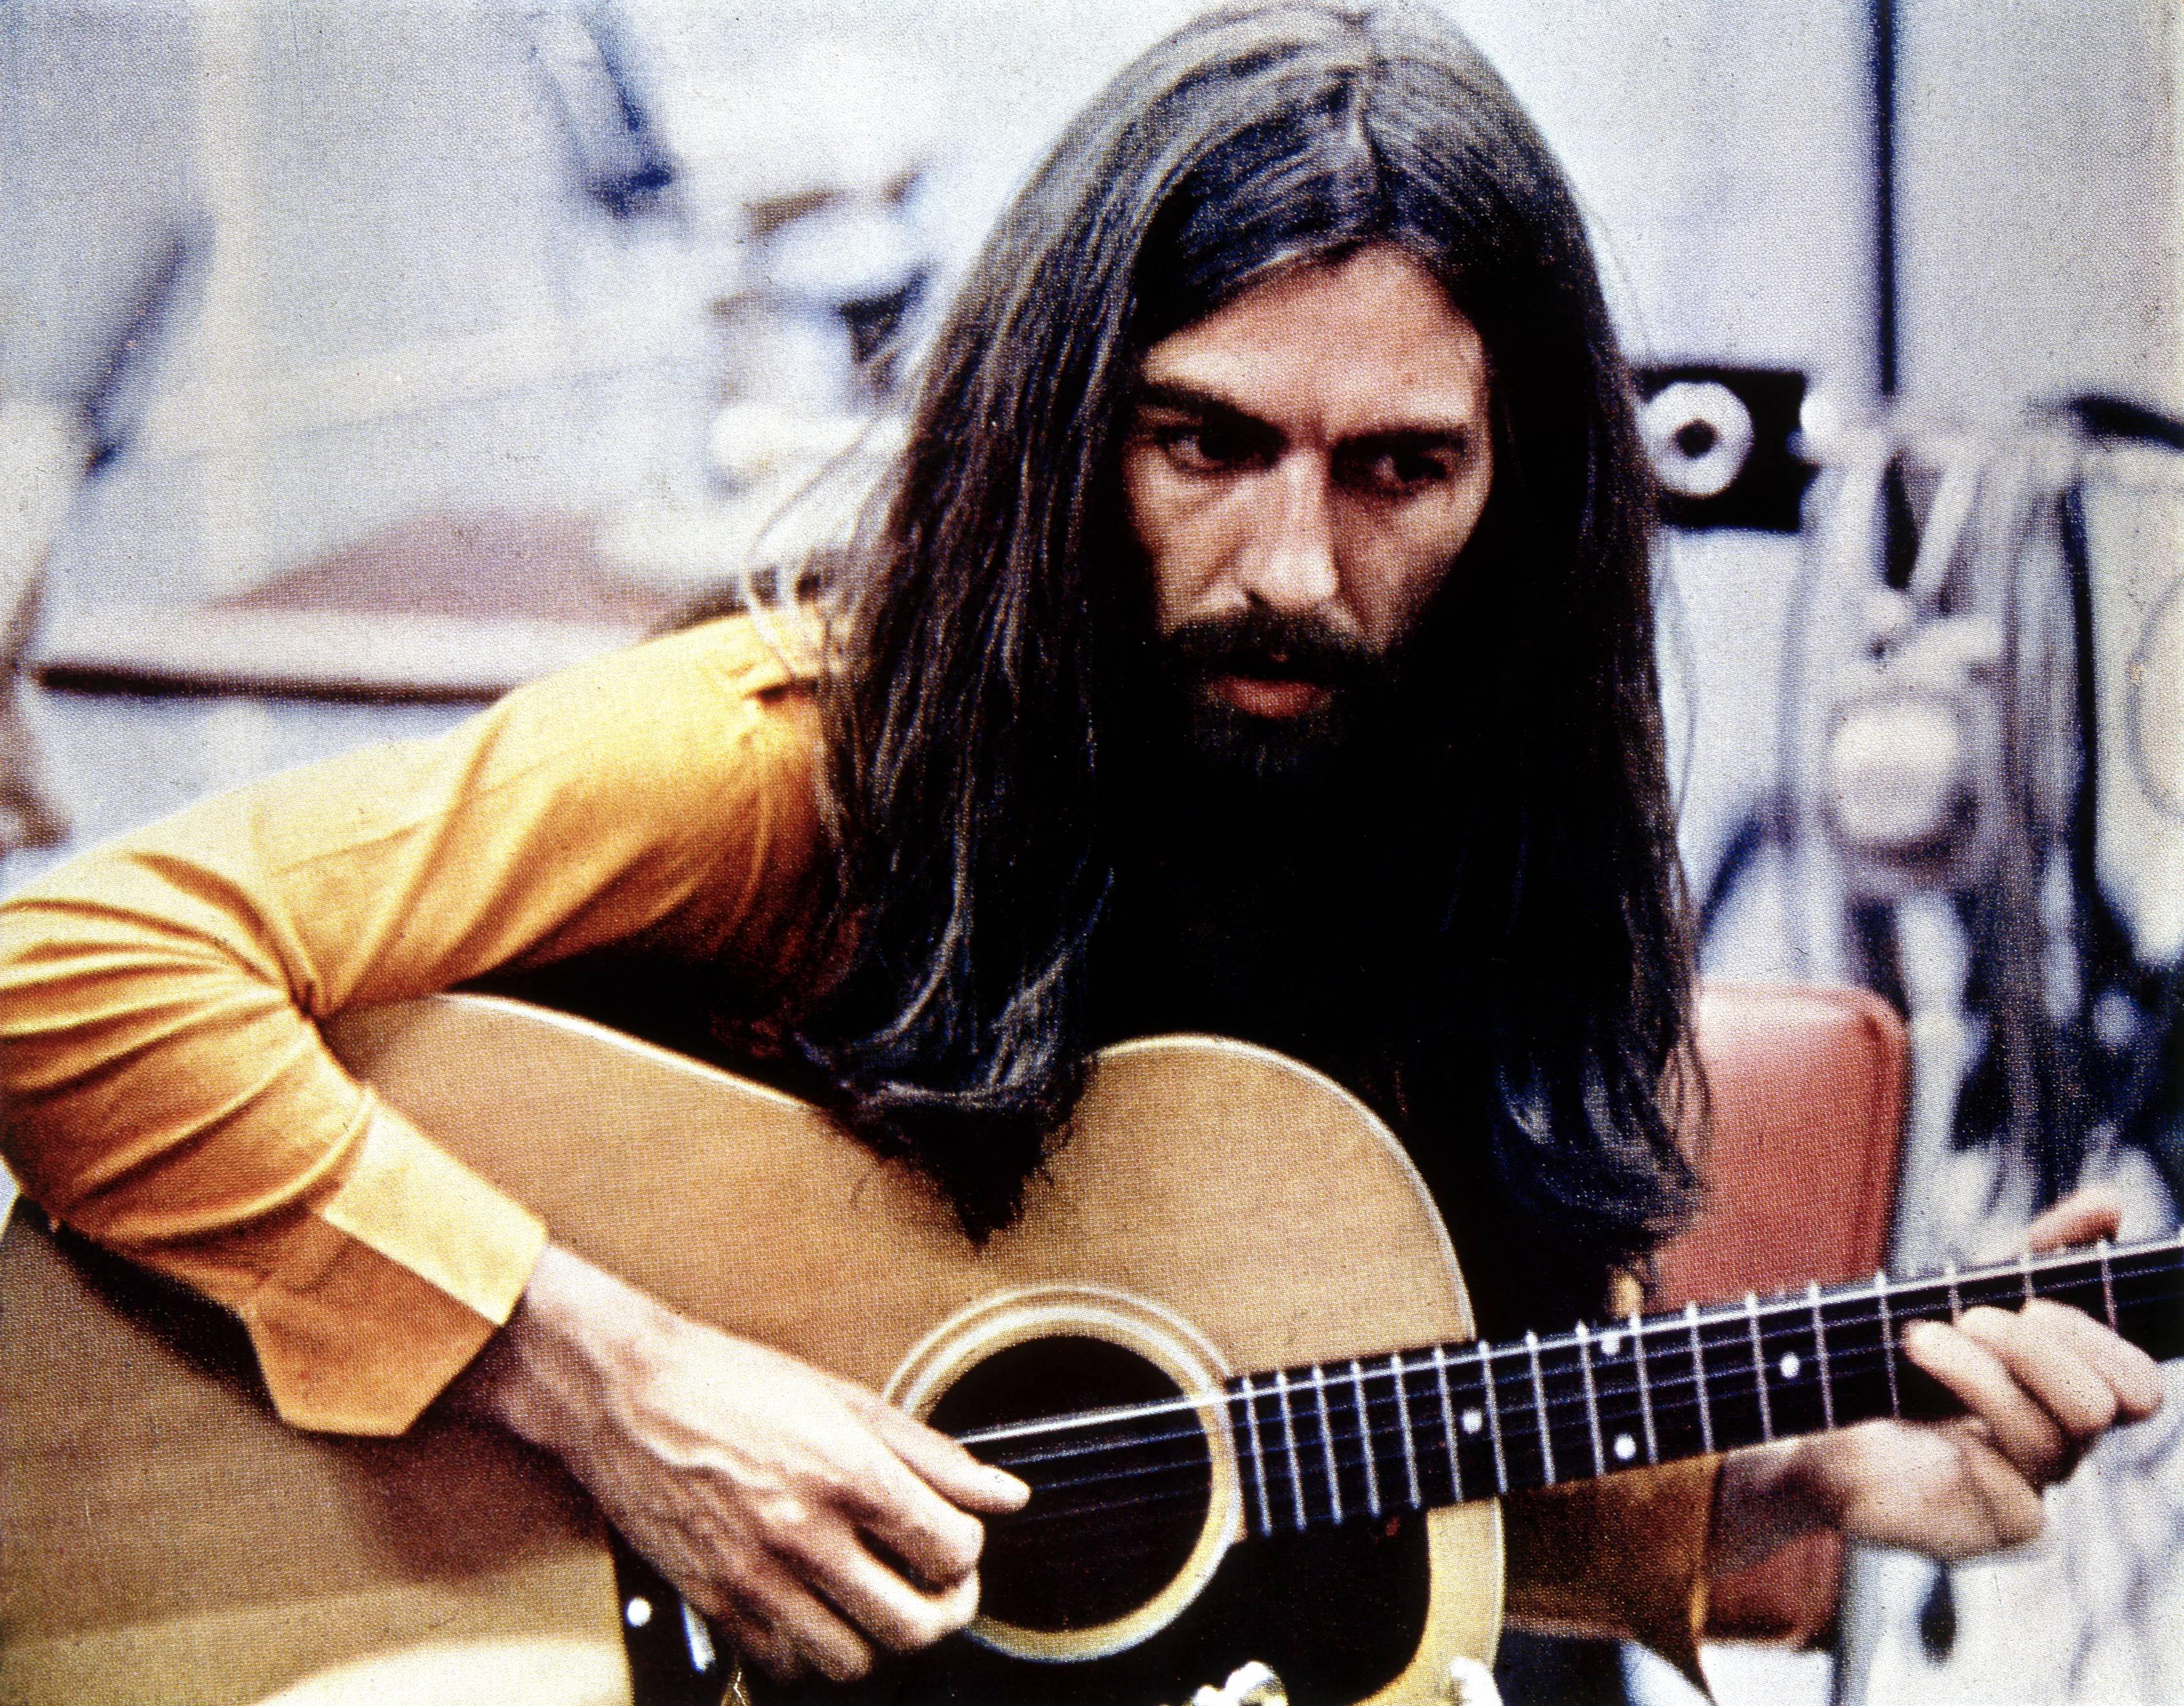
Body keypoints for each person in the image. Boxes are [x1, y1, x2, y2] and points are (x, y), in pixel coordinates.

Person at [0, 1, 2163, 1697]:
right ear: (1060, 431)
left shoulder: (1465, 846)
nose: (1292, 568)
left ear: (1525, 505)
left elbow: (1274, 1488)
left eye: (1398, 472)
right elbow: (68, 970)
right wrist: (616, 1383)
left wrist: (1777, 1475)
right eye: (1202, 444)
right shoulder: (776, 762)